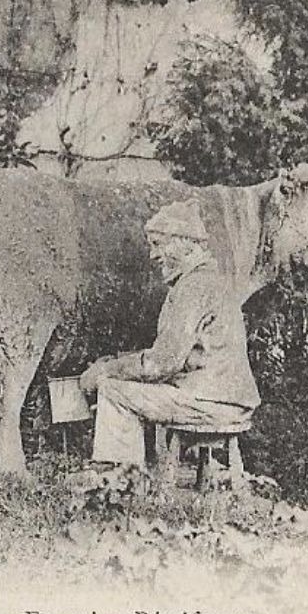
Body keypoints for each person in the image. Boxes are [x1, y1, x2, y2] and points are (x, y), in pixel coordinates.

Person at [78, 199, 259, 467]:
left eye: (158, 244)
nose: (153, 255)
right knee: (122, 382)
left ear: (185, 243)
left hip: (210, 401)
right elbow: (181, 357)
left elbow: (163, 363)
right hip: (224, 397)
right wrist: (118, 363)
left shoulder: (193, 287)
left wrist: (105, 371)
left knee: (112, 390)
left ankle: (116, 479)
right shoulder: (210, 280)